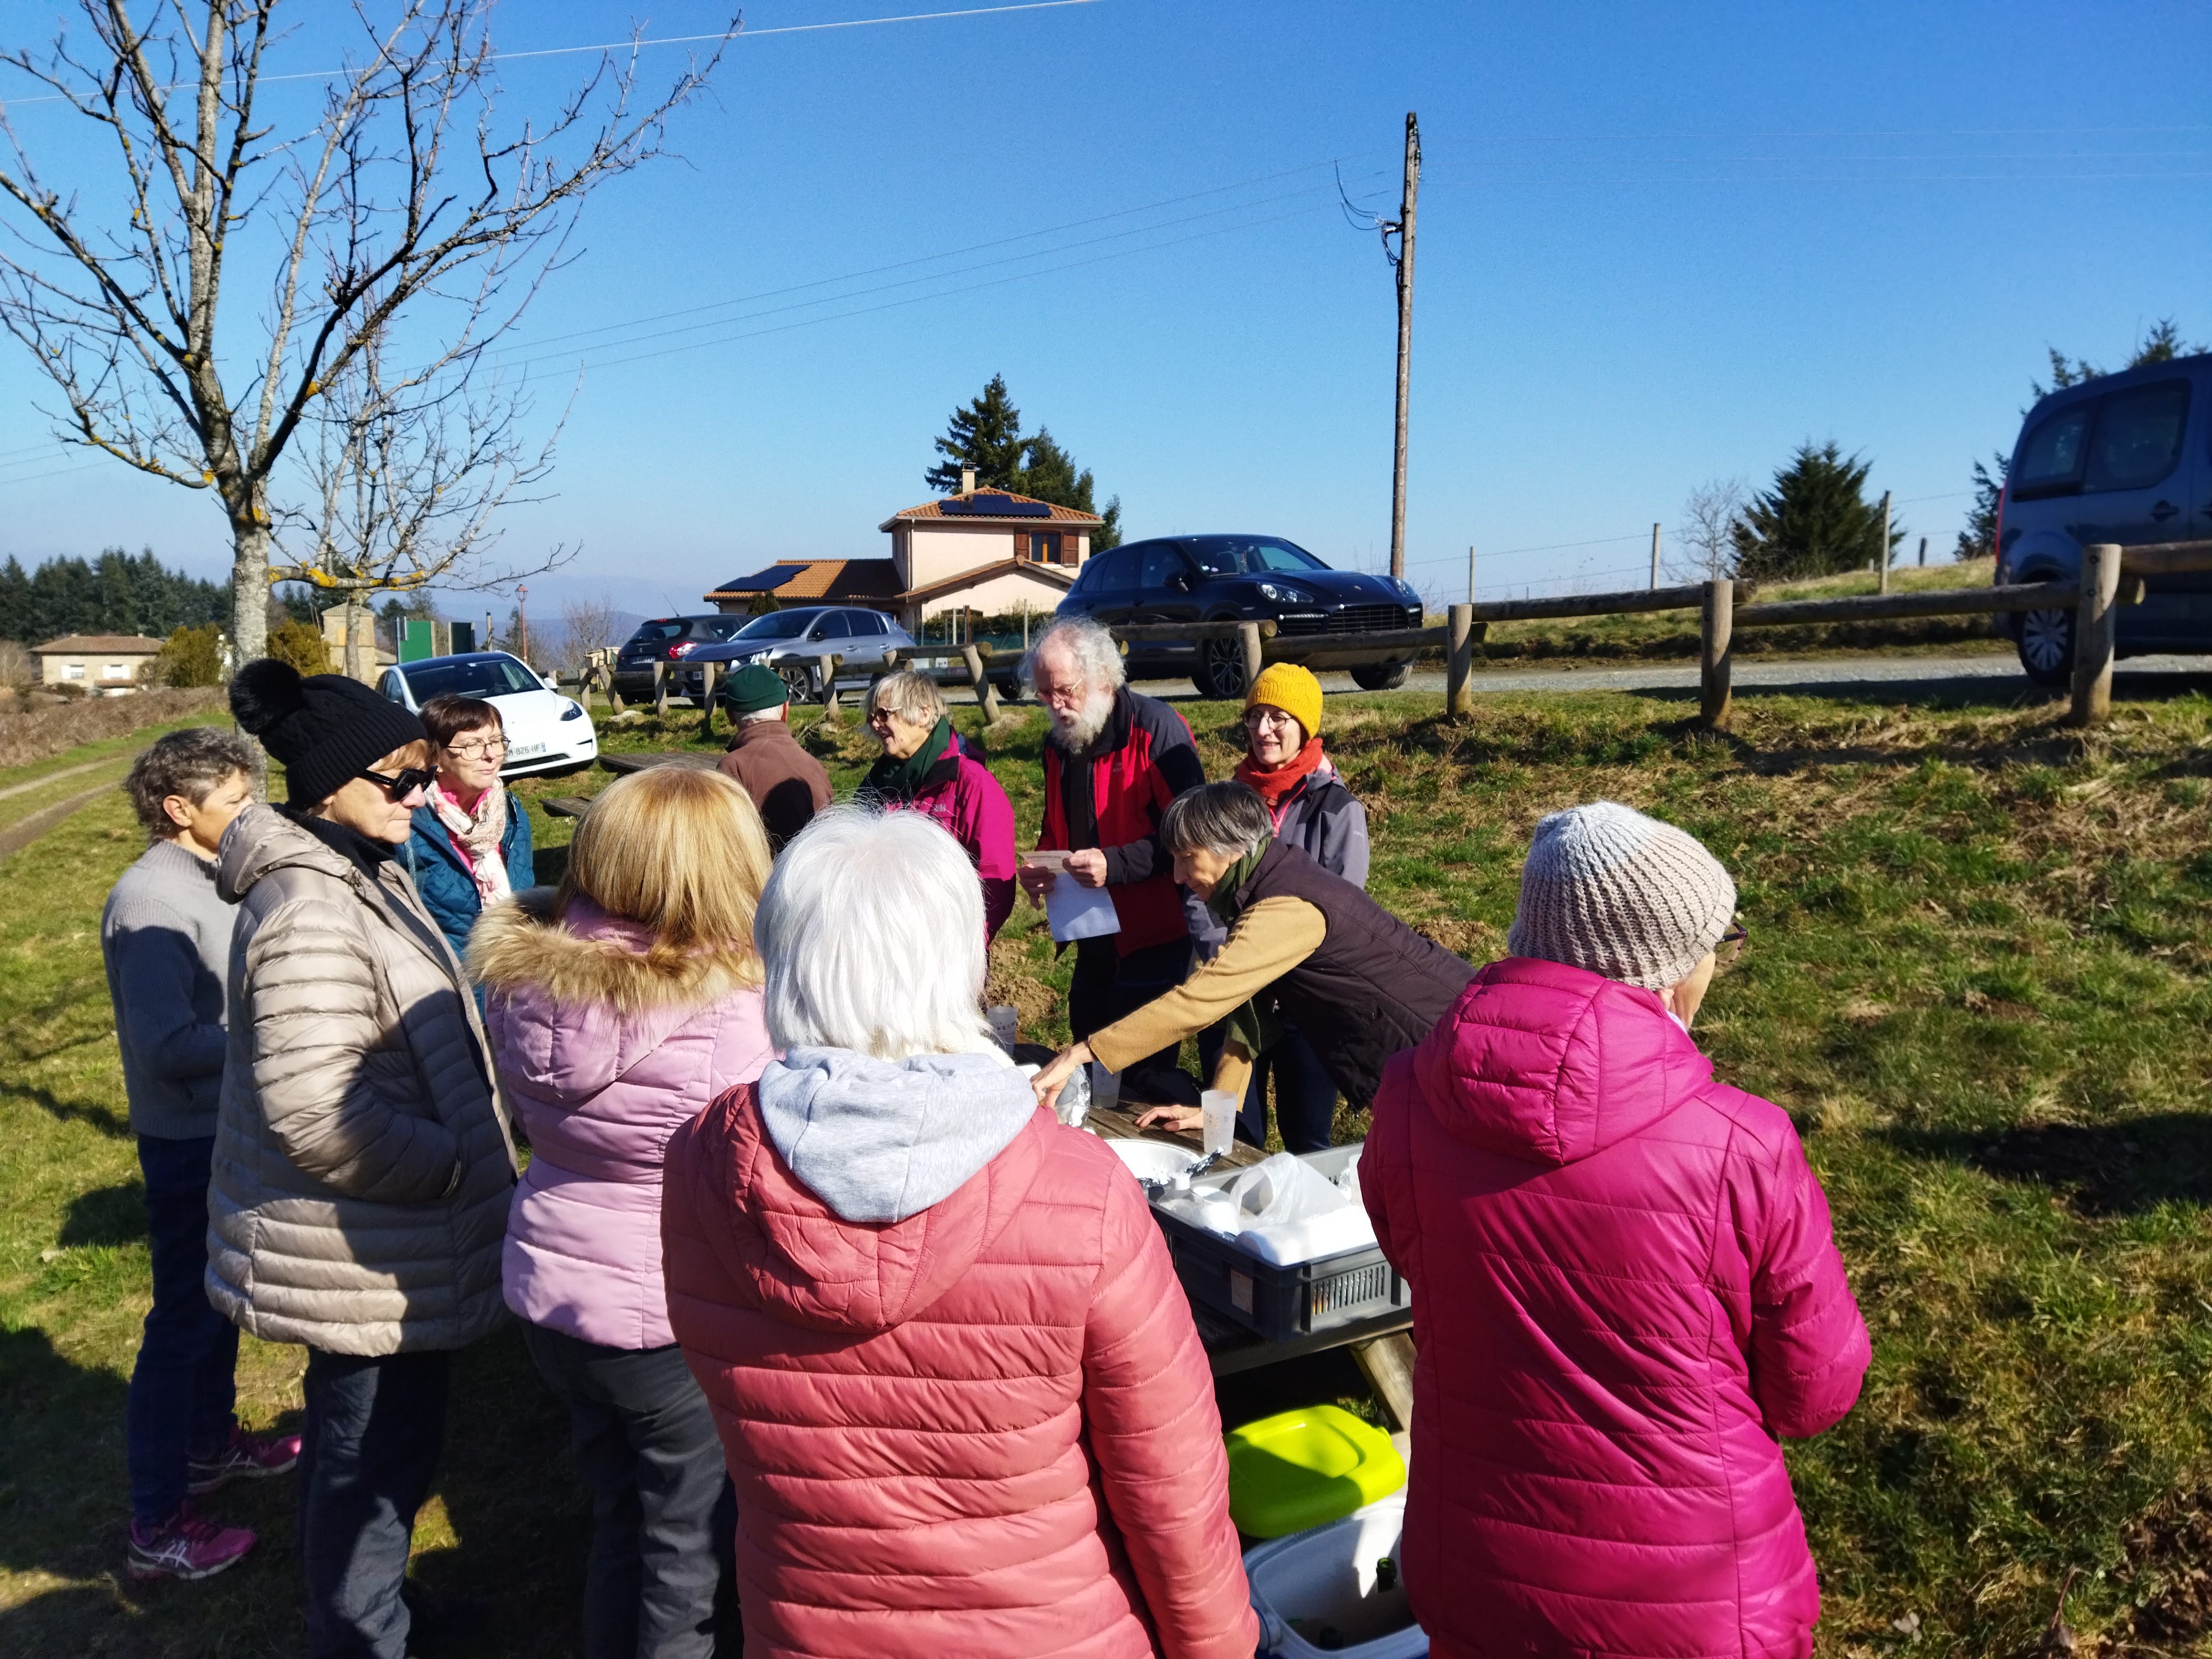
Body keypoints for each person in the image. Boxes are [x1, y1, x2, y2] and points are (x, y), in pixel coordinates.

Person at [660, 806, 1258, 1659]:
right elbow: (1171, 1489)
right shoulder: (1081, 1191)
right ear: (960, 956)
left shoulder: (700, 1165)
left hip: (808, 1627)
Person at [1361, 802, 1870, 1659]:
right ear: (1667, 969)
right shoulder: (1740, 1143)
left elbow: (1410, 1255)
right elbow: (1814, 1394)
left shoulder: (1410, 1097)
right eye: (1716, 943)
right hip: (1691, 1597)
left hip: (1478, 1566)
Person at [212, 659, 518, 1659]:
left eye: (423, 774)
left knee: (386, 1449)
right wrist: (447, 1169)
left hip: (388, 1242)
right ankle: (358, 1636)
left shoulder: (359, 868)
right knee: (363, 1454)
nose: (421, 795)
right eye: (399, 779)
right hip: (371, 1241)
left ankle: (381, 1613)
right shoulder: (311, 905)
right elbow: (314, 1112)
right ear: (326, 786)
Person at [471, 766, 774, 1659]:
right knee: (688, 1558)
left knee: (621, 1520)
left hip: (555, 1284)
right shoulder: (735, 1010)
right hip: (667, 1309)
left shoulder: (527, 982)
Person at [102, 728, 298, 1583]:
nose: (251, 816)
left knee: (217, 1302)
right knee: (180, 1324)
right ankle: (157, 1523)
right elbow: (167, 1048)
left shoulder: (216, 877)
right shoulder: (150, 904)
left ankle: (210, 1448)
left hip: (226, 1129)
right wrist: (274, 1031)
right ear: (179, 810)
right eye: (235, 804)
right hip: (188, 1143)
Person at [1033, 780, 1470, 1125]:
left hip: (1454, 1056)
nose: (1179, 876)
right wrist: (1218, 1109)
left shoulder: (1285, 906)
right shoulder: (1269, 882)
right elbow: (1247, 1016)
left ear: (1233, 847)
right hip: (1427, 1061)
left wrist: (1082, 1052)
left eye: (1188, 858)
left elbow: (1199, 1001)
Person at [1015, 615, 1204, 1100]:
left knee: (1142, 1078)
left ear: (1103, 677)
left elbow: (1196, 835)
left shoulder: (1158, 729)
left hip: (1156, 935)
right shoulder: (1058, 745)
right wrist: (1042, 869)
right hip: (1093, 934)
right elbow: (1059, 826)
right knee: (1089, 1066)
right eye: (1044, 694)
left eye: (1066, 691)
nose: (1056, 706)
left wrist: (1115, 865)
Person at [1188, 663, 1369, 1152]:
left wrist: (1277, 961)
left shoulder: (1338, 808)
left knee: (1308, 1138)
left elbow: (1343, 908)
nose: (1264, 729)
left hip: (1306, 1000)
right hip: (1233, 992)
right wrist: (1226, 958)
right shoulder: (1222, 803)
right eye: (1255, 716)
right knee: (1228, 1133)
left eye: (1279, 717)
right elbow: (1195, 885)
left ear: (1305, 726)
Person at [859, 668, 1016, 941]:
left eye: (884, 714)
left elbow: (996, 879)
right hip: (883, 947)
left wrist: (965, 948)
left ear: (923, 713)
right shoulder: (875, 783)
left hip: (946, 952)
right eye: (872, 717)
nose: (875, 724)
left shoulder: (972, 783)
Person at [401, 693, 534, 963]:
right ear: (434, 757)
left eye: (496, 741)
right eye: (473, 745)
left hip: (515, 973)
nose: (491, 755)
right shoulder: (409, 823)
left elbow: (527, 897)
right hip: (446, 979)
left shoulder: (511, 813)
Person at [716, 664, 832, 853]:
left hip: (766, 878)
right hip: (816, 875)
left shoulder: (733, 767)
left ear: (730, 715)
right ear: (785, 710)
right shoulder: (814, 765)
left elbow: (725, 844)